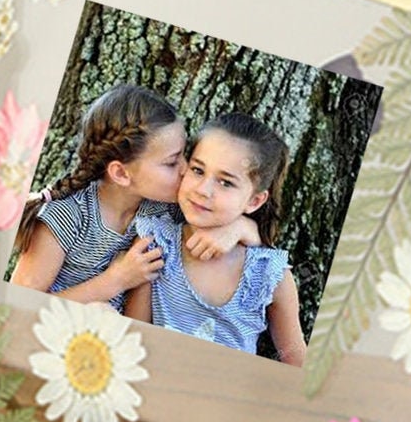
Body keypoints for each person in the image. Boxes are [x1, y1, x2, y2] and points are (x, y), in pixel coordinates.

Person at [10, 85, 254, 308]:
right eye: (171, 162)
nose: (185, 169)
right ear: (121, 173)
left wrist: (239, 228)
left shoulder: (163, 209)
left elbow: (233, 225)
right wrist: (116, 280)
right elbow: (18, 306)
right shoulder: (66, 217)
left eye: (184, 155)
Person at [124, 113, 307, 365]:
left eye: (226, 183)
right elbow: (133, 334)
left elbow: (296, 360)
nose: (203, 190)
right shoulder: (155, 245)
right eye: (198, 170)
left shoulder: (269, 274)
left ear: (254, 201)